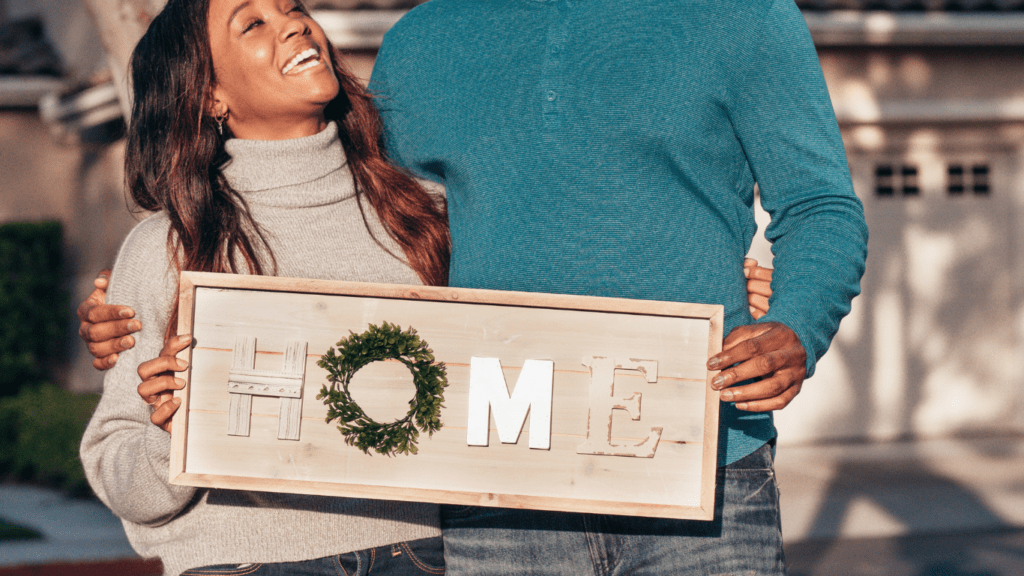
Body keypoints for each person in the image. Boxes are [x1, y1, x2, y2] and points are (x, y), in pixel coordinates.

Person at [82, 0, 867, 574]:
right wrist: (134, 311)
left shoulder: (742, 18)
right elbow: (378, 224)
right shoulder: (421, 45)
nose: (289, 22)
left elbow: (821, 205)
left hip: (704, 465)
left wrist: (793, 316)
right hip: (496, 489)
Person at [77, 0, 450, 574]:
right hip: (247, 561)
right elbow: (127, 485)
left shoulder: (425, 214)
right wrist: (171, 430)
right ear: (209, 95)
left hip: (425, 554)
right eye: (253, 24)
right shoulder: (166, 247)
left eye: (292, 8)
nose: (295, 24)